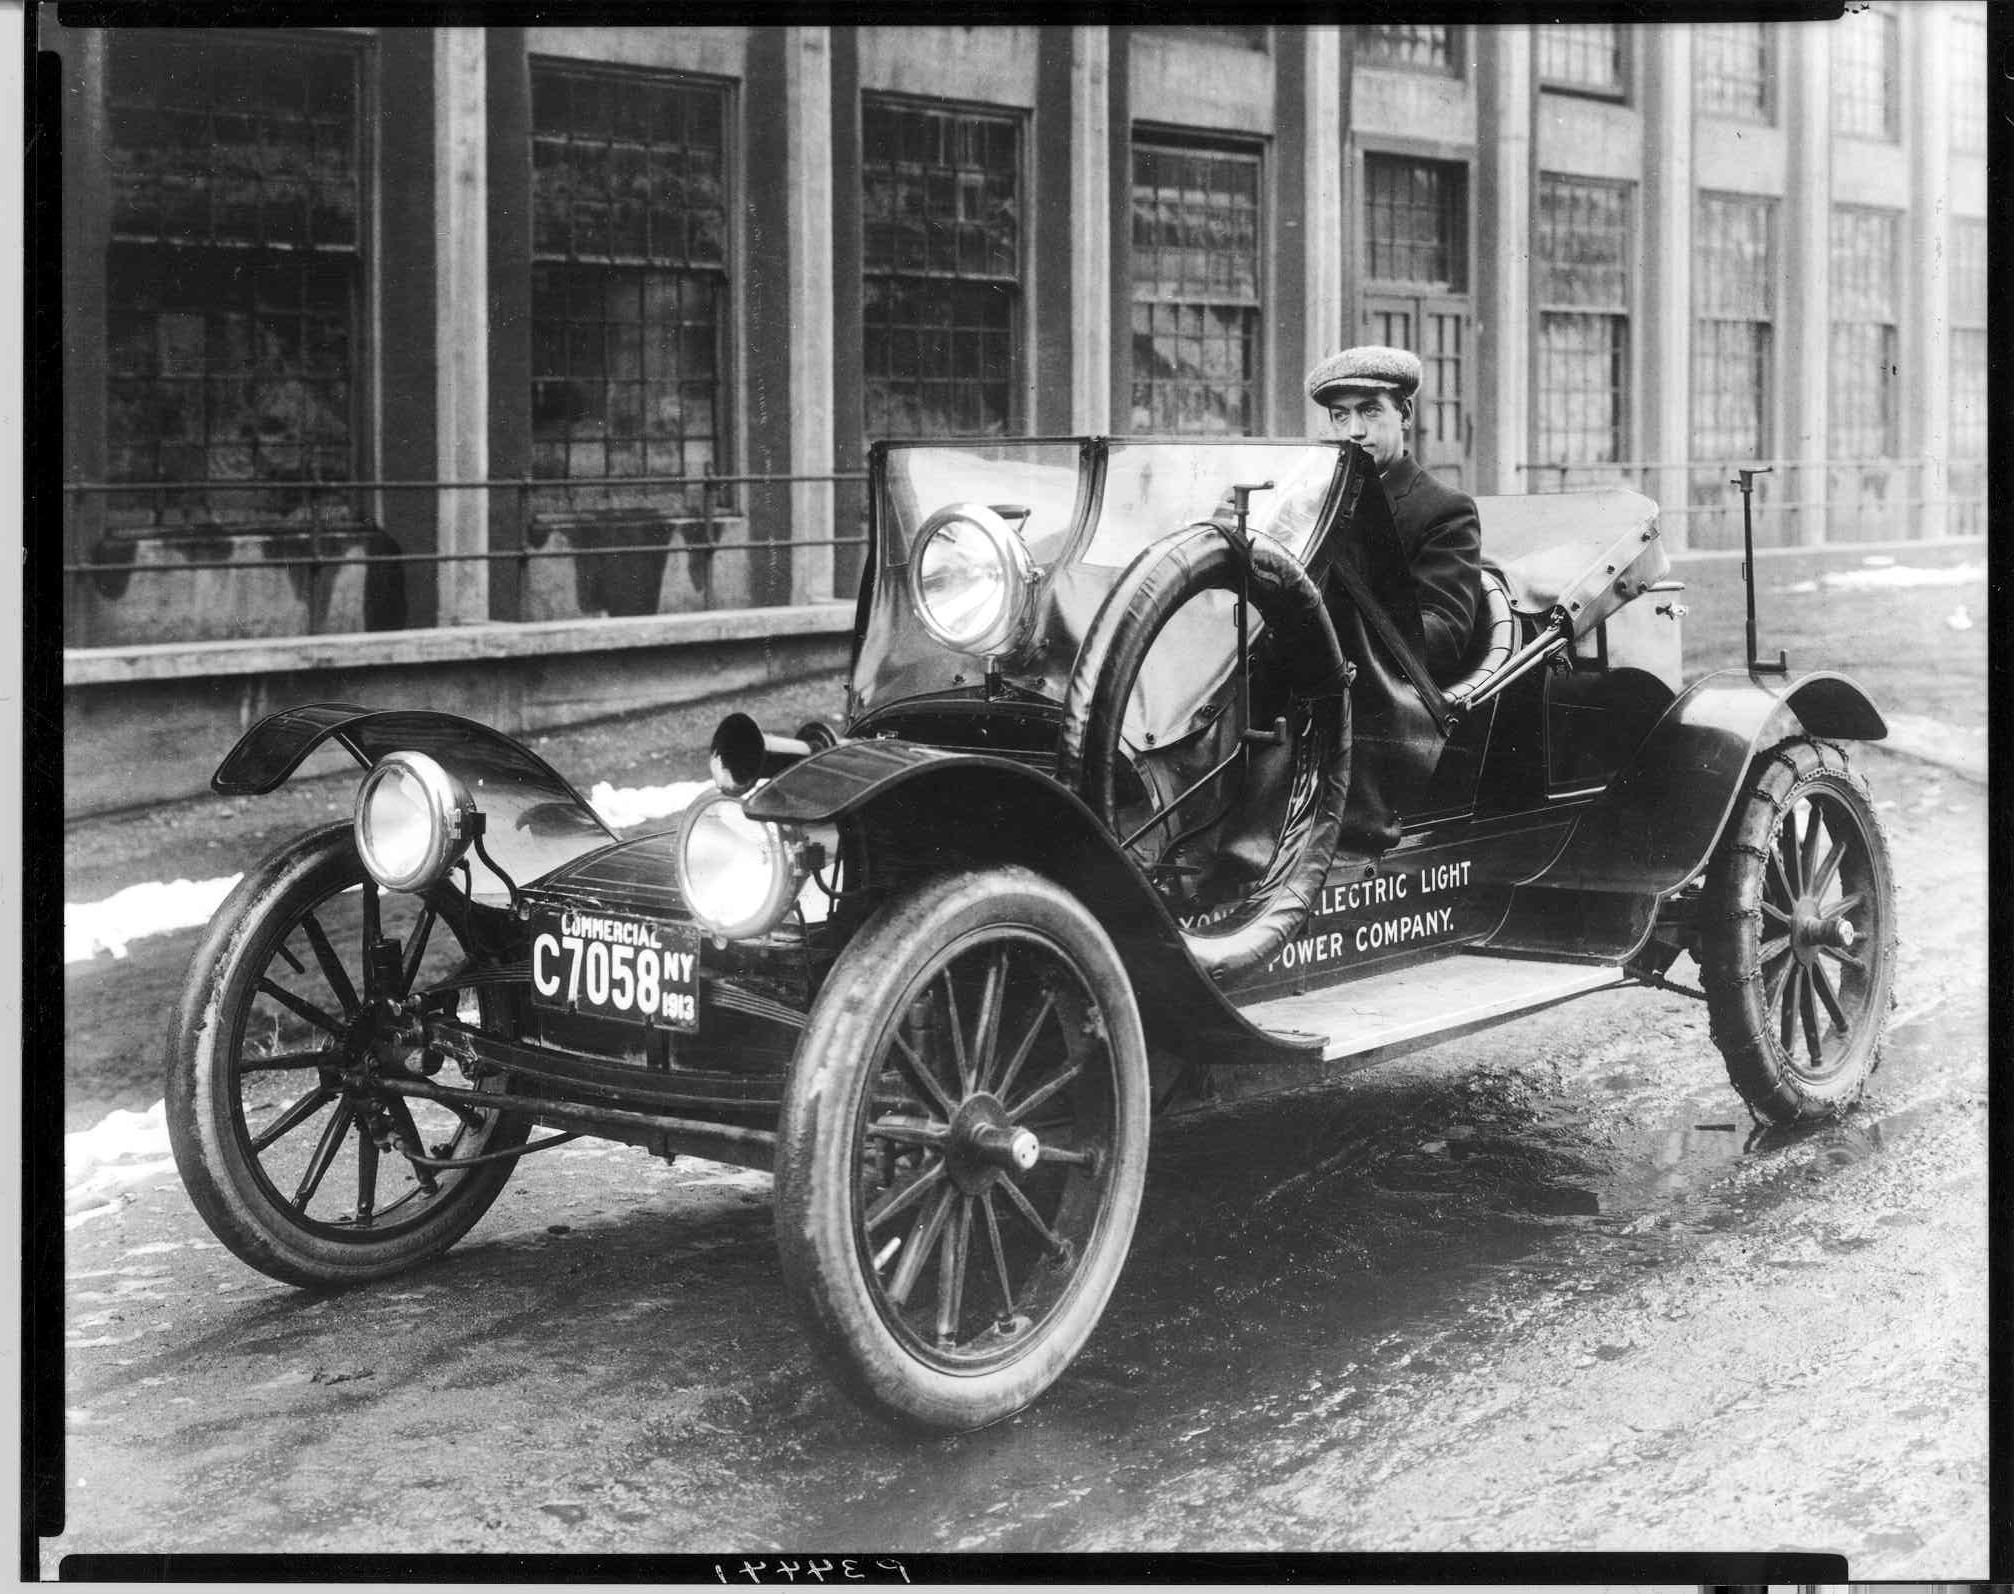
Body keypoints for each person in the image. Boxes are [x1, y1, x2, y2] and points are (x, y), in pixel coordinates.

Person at [1304, 345, 1481, 683]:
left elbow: (1443, 634)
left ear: (1405, 414)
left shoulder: (1445, 510)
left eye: (1370, 411)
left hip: (1380, 698)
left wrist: (1337, 642)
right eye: (1341, 415)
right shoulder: (1310, 505)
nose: (1354, 430)